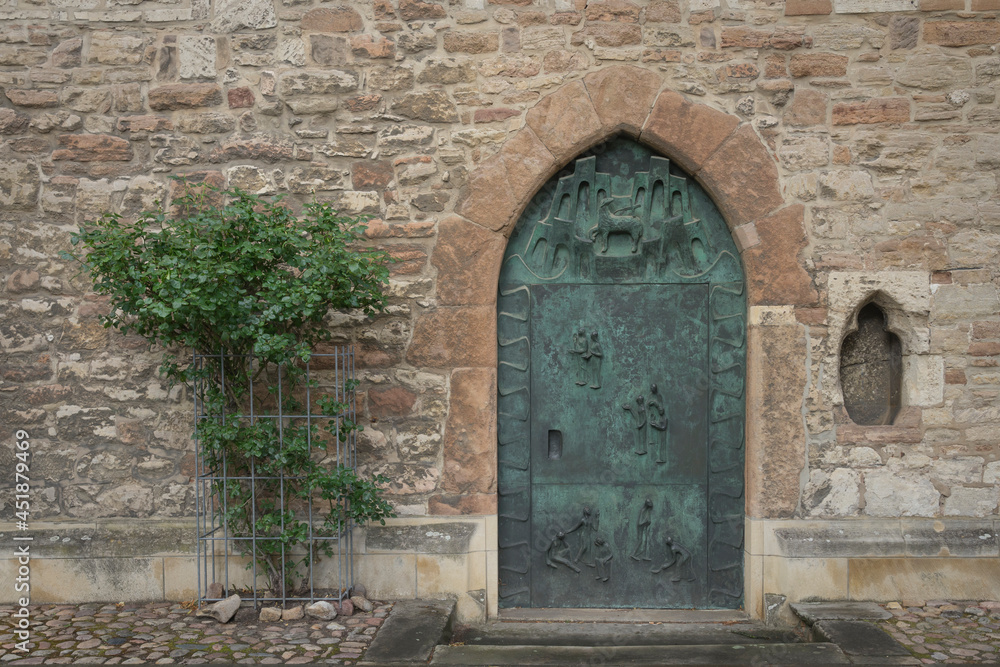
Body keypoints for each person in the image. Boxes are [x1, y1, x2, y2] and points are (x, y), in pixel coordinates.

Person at [647, 383, 668, 464]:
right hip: (653, 414)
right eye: (652, 388)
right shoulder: (649, 395)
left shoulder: (659, 396)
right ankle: (652, 440)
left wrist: (655, 404)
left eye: (654, 388)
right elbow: (647, 404)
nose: (653, 390)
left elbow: (660, 406)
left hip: (657, 414)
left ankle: (662, 458)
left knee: (662, 444)